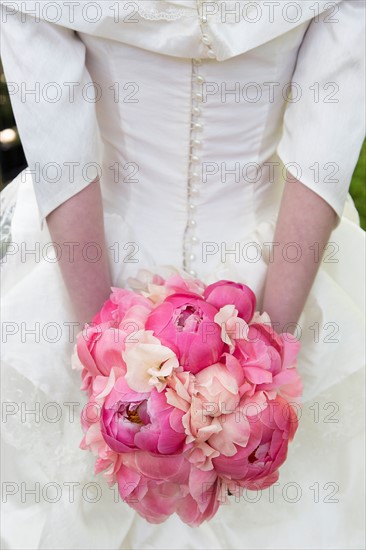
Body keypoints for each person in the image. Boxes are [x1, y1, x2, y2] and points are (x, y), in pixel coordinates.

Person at [1, 1, 365, 548]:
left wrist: (109, 367)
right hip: (277, 270)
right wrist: (261, 363)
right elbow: (323, 155)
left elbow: (64, 160)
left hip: (94, 268)